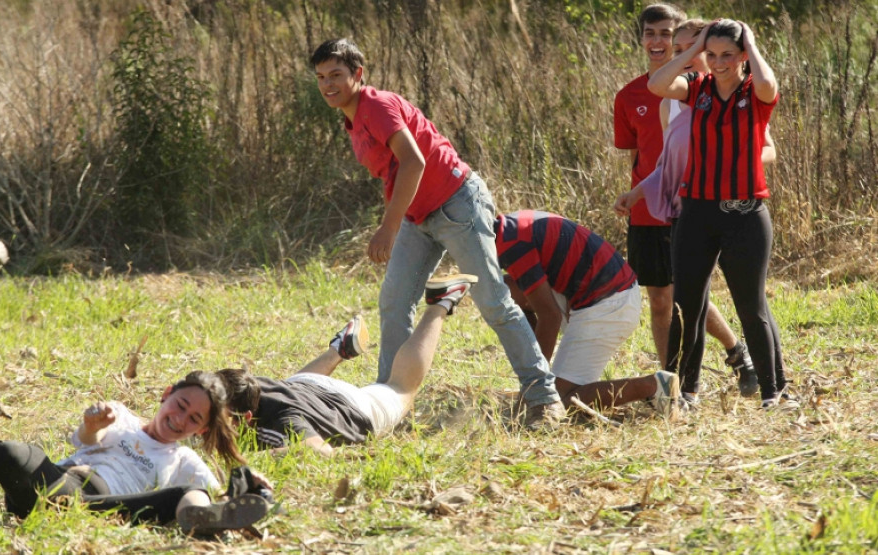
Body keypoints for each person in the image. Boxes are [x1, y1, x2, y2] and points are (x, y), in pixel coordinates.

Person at [310, 38, 564, 428]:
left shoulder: (376, 106)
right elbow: (394, 173)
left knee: (494, 303)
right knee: (394, 303)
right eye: (322, 77)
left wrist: (387, 227)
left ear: (357, 75)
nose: (329, 84)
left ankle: (544, 400)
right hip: (419, 217)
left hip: (456, 203)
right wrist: (400, 218)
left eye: (337, 75)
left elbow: (414, 162)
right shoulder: (352, 116)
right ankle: (391, 403)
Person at [613, 19, 773, 399]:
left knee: (710, 301)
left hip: (722, 209)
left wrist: (731, 169)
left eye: (695, 48)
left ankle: (746, 363)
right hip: (670, 208)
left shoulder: (738, 95)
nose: (689, 56)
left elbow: (767, 147)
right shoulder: (675, 99)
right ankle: (678, 389)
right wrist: (637, 193)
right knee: (669, 301)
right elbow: (668, 162)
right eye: (684, 48)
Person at [647, 19, 791, 408]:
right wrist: (695, 54)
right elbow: (657, 85)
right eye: (714, 55)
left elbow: (769, 85)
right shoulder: (698, 89)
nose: (720, 62)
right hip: (696, 212)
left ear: (743, 55)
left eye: (728, 54)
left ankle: (774, 391)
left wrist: (752, 45)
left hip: (745, 214)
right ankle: (686, 393)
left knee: (751, 305)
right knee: (686, 305)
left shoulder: (754, 93)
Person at [0, 371, 270, 535]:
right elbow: (86, 439)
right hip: (58, 488)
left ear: (201, 431)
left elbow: (218, 495)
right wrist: (91, 423)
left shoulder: (183, 460)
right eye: (181, 406)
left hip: (103, 507)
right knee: (13, 453)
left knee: (187, 492)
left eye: (194, 419)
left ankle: (204, 523)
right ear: (166, 395)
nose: (180, 419)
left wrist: (248, 484)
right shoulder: (121, 417)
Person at [218, 275, 478, 456]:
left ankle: (441, 303)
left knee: (401, 388)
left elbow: (319, 452)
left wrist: (256, 458)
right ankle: (339, 350)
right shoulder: (224, 388)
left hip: (354, 405)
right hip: (303, 384)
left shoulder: (287, 423)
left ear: (244, 421)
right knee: (291, 387)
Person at [494, 210, 679, 417]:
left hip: (609, 304)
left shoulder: (514, 247)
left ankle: (653, 386)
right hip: (598, 294)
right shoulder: (509, 227)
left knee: (556, 401)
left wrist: (533, 387)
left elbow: (550, 317)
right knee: (500, 288)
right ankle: (562, 377)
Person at [613, 3, 685, 365]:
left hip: (689, 203)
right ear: (641, 38)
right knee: (659, 297)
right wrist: (637, 195)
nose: (657, 41)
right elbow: (636, 155)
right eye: (650, 33)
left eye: (666, 33)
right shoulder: (628, 96)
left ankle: (737, 353)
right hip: (646, 208)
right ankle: (668, 378)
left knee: (687, 293)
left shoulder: (697, 87)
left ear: (681, 39)